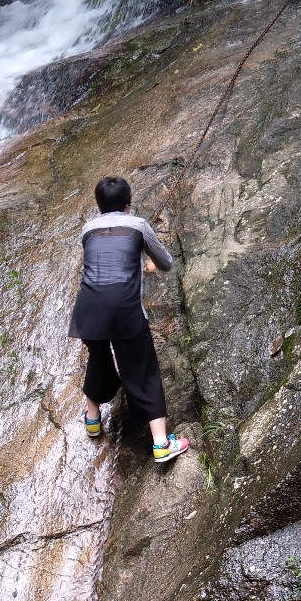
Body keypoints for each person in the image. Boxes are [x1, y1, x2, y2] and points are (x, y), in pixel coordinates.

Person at [70, 176, 189, 465]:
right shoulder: (138, 225)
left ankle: (93, 419)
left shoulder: (88, 229)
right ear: (128, 204)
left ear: (99, 206)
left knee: (98, 359)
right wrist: (148, 262)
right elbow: (166, 262)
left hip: (88, 309)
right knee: (142, 368)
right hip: (124, 309)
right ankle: (161, 444)